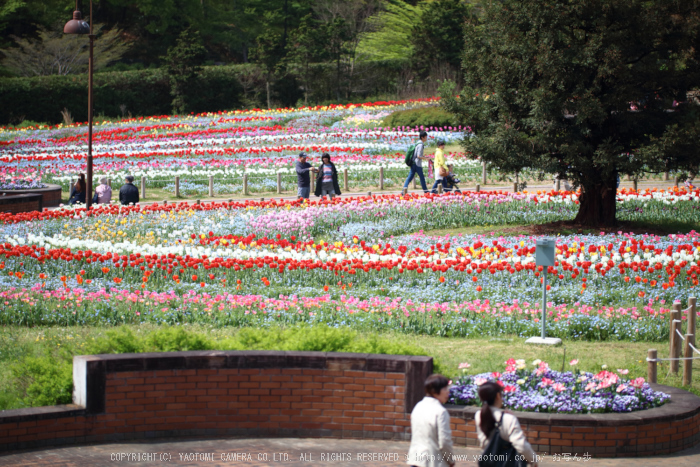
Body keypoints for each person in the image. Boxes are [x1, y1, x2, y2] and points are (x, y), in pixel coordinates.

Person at [475, 382, 538, 467]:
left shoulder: (479, 415)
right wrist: (533, 460)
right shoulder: (508, 419)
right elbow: (521, 445)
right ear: (498, 396)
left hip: (488, 461)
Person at [406, 374, 455, 467]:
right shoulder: (441, 412)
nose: (448, 392)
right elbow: (444, 441)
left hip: (416, 459)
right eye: (445, 389)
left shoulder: (418, 406)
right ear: (435, 392)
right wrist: (450, 460)